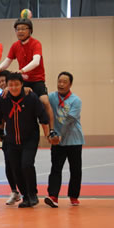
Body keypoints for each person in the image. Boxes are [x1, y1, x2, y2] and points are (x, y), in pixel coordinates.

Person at [0, 73, 51, 208]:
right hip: (11, 140)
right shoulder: (3, 99)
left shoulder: (31, 97)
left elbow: (43, 117)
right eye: (10, 85)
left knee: (27, 164)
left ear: (22, 84)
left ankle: (33, 195)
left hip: (29, 138)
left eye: (16, 84)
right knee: (15, 169)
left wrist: (48, 134)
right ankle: (25, 196)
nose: (14, 87)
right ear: (7, 85)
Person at [0, 16, 56, 134]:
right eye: (18, 29)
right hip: (23, 81)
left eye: (24, 29)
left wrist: (22, 70)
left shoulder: (36, 43)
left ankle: (51, 130)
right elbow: (8, 60)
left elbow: (36, 61)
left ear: (30, 30)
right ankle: (2, 130)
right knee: (6, 99)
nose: (20, 31)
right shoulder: (15, 46)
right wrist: (0, 68)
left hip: (37, 80)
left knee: (44, 101)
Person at [45, 72, 83, 207]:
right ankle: (53, 196)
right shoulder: (52, 97)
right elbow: (41, 100)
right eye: (59, 81)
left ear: (70, 84)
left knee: (75, 169)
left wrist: (60, 133)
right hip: (57, 141)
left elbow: (70, 120)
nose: (61, 84)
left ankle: (74, 196)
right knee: (55, 168)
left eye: (64, 82)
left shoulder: (75, 100)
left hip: (74, 140)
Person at [0, 70, 22, 205]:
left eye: (3, 81)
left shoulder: (24, 93)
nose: (2, 84)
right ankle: (14, 191)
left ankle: (27, 193)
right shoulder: (1, 99)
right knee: (9, 164)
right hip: (8, 137)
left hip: (23, 137)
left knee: (23, 165)